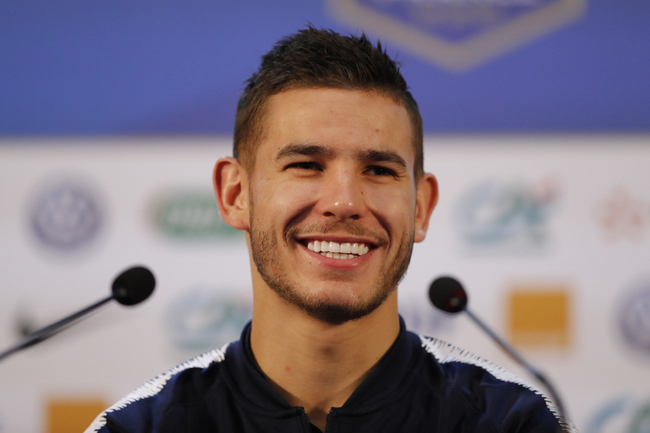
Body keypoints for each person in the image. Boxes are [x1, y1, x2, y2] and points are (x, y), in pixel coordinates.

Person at [86, 27, 571, 432]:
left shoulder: (512, 422)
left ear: (420, 206)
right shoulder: (137, 428)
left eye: (379, 171)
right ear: (235, 195)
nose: (344, 202)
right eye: (306, 164)